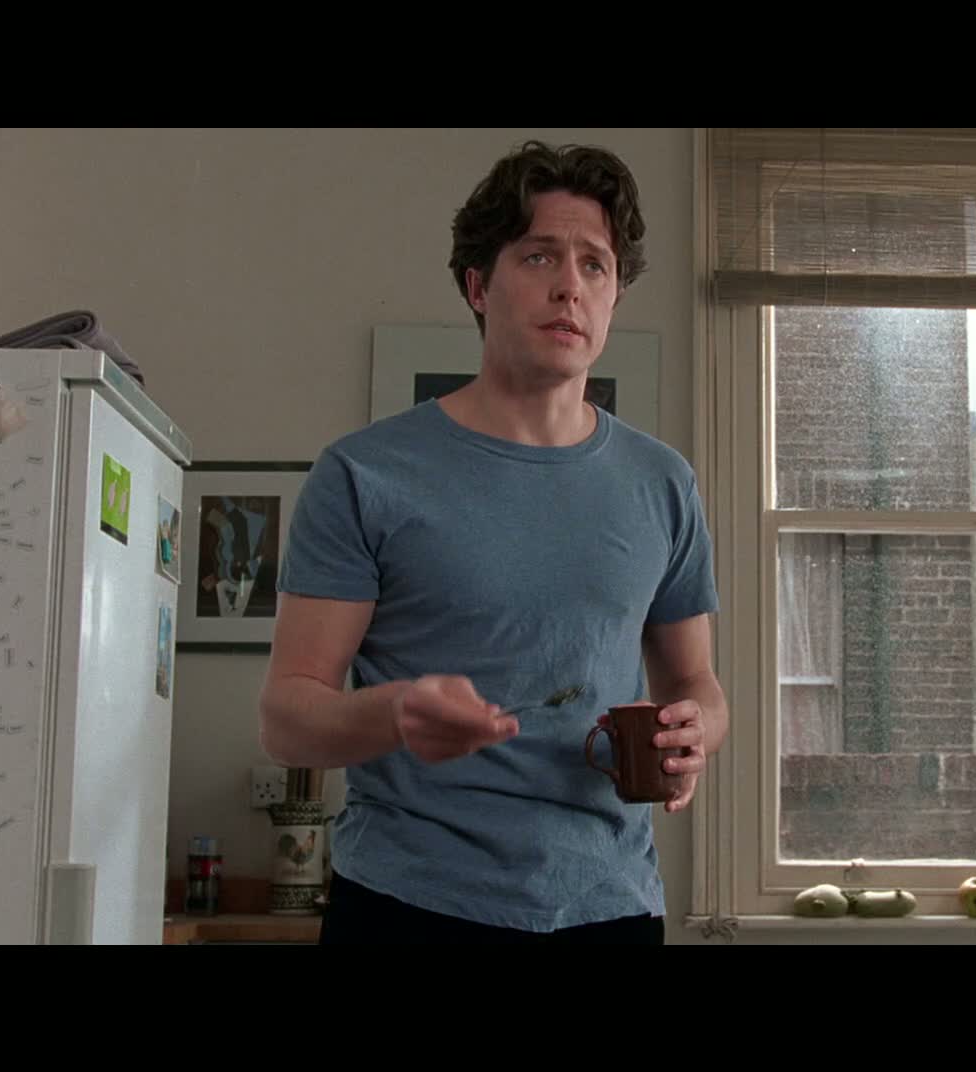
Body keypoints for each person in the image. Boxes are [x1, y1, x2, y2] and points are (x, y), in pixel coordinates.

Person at [258, 140, 726, 945]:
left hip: (610, 906)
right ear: (479, 286)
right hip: (408, 904)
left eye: (595, 265)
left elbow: (697, 685)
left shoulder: (664, 483)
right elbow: (287, 718)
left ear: (613, 297)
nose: (569, 285)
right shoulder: (364, 473)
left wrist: (696, 733)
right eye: (539, 255)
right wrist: (397, 712)